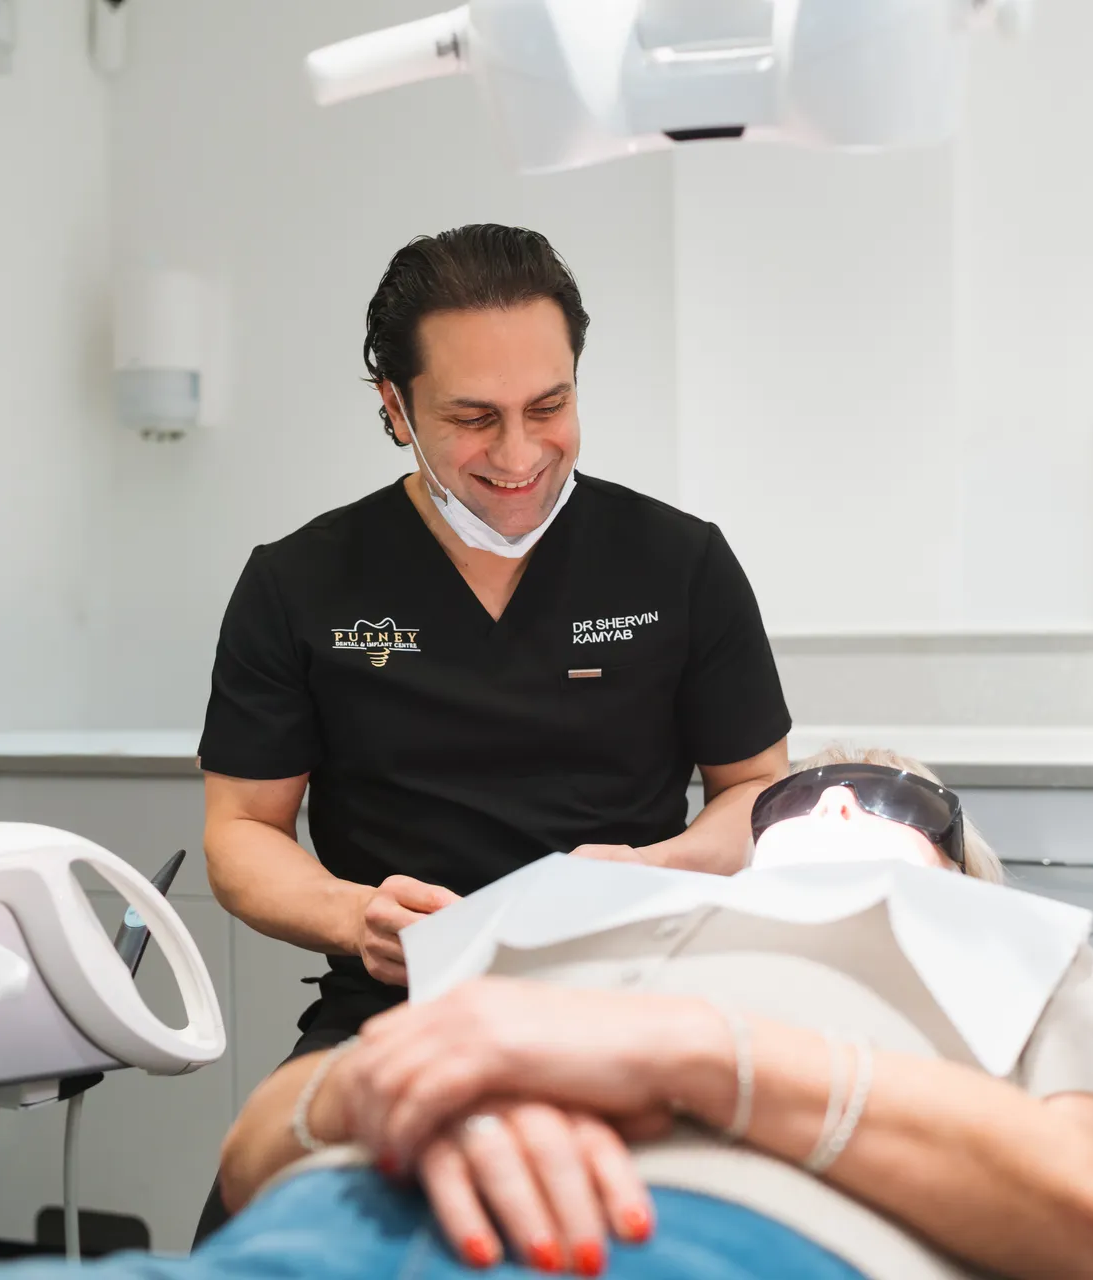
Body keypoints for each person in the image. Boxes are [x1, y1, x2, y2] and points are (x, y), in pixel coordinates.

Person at [193, 225, 792, 1239]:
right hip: (398, 1006)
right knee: (257, 1228)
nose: (519, 455)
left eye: (548, 407)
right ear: (395, 408)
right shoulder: (298, 583)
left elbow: (756, 797)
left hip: (638, 992)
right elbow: (240, 833)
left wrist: (654, 865)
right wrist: (357, 917)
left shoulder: (678, 563)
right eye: (473, 418)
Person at [207, 747, 1093, 1280]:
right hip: (328, 1228)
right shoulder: (574, 913)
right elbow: (250, 1156)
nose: (840, 802)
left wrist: (697, 1055)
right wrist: (415, 1095)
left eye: (896, 802)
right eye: (803, 795)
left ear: (968, 871)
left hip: (691, 1245)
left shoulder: (1013, 945)